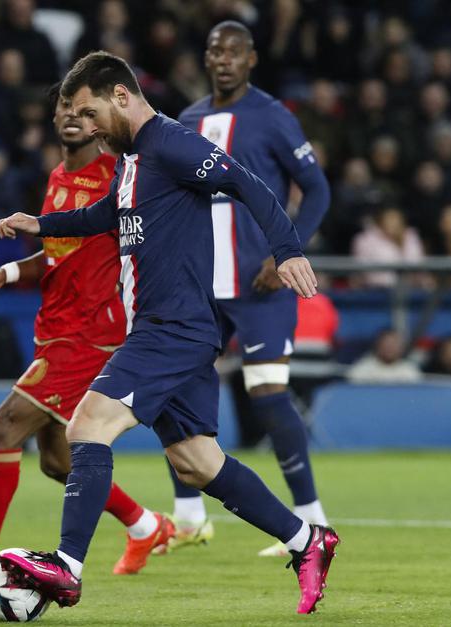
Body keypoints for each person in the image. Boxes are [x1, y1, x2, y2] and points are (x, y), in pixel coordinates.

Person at [0, 51, 336, 615]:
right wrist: (44, 224)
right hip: (171, 328)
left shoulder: (172, 143)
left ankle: (67, 567)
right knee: (197, 462)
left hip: (172, 327)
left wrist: (287, 248)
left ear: (121, 96)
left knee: (87, 426)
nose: (85, 124)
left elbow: (248, 183)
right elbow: (107, 215)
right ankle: (308, 541)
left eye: (90, 110)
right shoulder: (131, 159)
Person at [0, 84, 173, 585]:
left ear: (102, 119)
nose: (73, 116)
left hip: (92, 333)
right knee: (58, 461)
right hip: (56, 327)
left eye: (85, 109)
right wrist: (9, 274)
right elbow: (60, 254)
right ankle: (147, 525)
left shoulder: (115, 177)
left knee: (3, 427)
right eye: (65, 107)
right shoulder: (59, 177)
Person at [168, 20, 331, 558]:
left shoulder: (272, 115)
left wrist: (288, 252)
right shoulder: (188, 120)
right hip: (200, 285)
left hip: (260, 281)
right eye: (216, 50)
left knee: (267, 392)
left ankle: (312, 518)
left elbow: (317, 188)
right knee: (177, 391)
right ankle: (188, 518)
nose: (224, 59)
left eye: (235, 51)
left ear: (252, 59)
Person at [347, 329, 422, 383]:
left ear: (401, 348)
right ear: (378, 346)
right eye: (387, 345)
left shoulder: (409, 370)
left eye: (394, 345)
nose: (390, 349)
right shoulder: (362, 369)